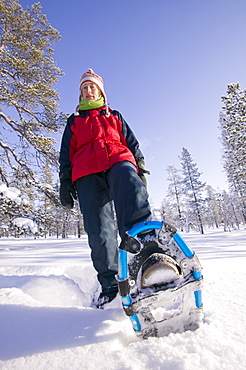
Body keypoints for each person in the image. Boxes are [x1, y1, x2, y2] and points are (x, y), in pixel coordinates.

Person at [59, 69, 152, 307]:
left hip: (117, 159)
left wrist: (139, 169)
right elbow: (65, 156)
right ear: (80, 94)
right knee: (99, 230)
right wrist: (65, 181)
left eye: (92, 87)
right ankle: (111, 286)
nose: (88, 91)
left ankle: (147, 262)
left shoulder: (115, 116)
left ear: (100, 91)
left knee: (130, 189)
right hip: (86, 171)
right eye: (84, 88)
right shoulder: (74, 122)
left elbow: (131, 143)